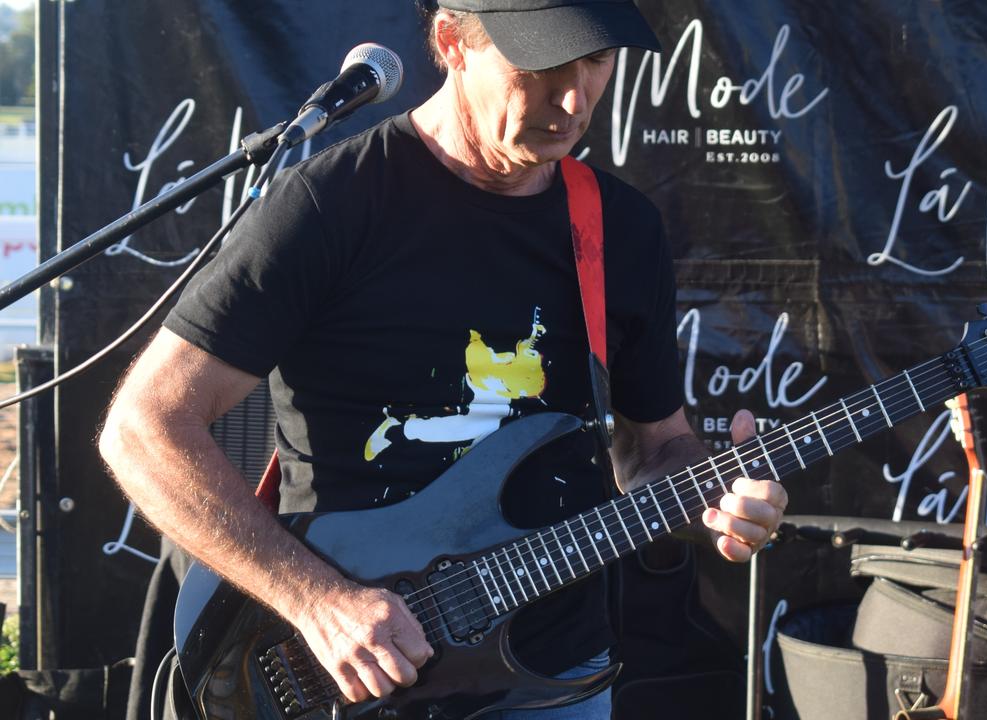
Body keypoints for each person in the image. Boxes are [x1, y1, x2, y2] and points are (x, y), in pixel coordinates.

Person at [97, 1, 789, 718]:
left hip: (552, 672)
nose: (575, 98)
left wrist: (714, 496)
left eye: (597, 62)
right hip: (355, 668)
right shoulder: (333, 204)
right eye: (543, 67)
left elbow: (652, 451)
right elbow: (143, 428)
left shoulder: (620, 227)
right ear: (452, 42)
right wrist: (316, 601)